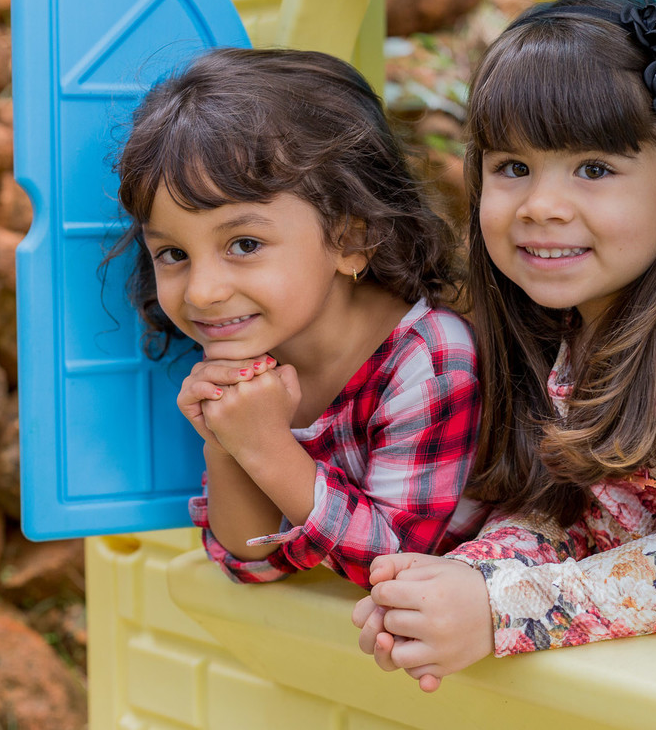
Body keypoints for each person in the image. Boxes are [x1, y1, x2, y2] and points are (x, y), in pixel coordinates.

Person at [352, 0, 656, 691]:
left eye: (594, 169)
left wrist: (499, 607)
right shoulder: (570, 318)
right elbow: (580, 519)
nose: (541, 206)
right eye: (513, 168)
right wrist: (457, 579)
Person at [108, 47, 484, 589]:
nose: (204, 291)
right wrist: (227, 439)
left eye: (244, 243)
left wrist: (264, 445)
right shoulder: (252, 340)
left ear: (351, 240)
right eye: (173, 254)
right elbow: (249, 560)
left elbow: (397, 565)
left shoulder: (431, 360)